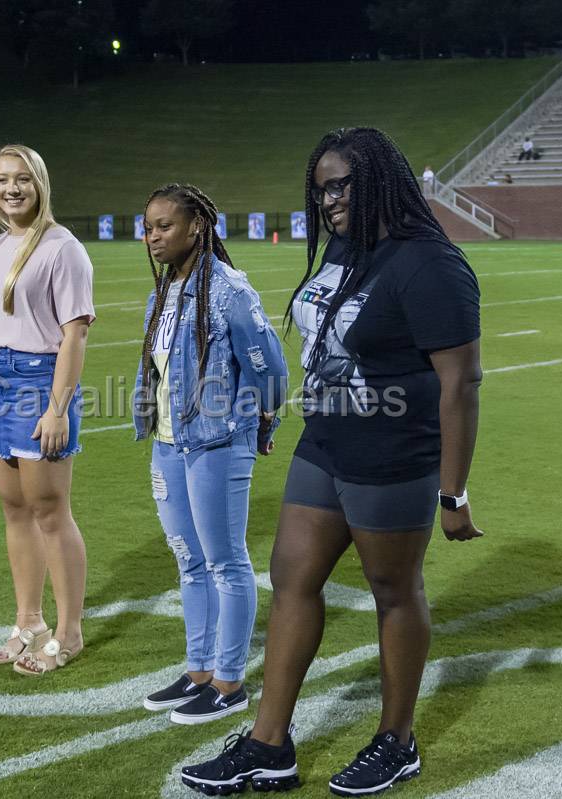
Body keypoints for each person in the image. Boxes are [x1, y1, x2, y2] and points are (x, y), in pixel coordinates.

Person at [181, 127, 484, 796]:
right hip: (324, 441)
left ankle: (396, 739)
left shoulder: (429, 263)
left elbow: (461, 382)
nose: (328, 201)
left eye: (340, 185)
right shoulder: (344, 249)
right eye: (320, 190)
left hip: (393, 451)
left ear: (381, 180)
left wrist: (453, 492)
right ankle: (268, 743)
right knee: (290, 577)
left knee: (392, 590)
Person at [134, 183, 288, 725]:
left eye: (164, 226)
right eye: (148, 226)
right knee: (189, 560)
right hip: (170, 441)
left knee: (226, 561)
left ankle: (229, 681)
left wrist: (261, 420)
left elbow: (270, 366)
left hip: (219, 441)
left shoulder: (228, 290)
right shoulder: (163, 291)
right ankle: (199, 670)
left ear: (197, 226)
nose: (153, 236)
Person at [0, 144, 95, 677]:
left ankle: (69, 633)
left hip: (39, 384)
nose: (11, 189)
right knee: (14, 510)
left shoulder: (64, 249)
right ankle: (29, 621)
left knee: (50, 513)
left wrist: (58, 408)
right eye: (1, 181)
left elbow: (74, 334)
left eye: (22, 179)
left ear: (40, 184)